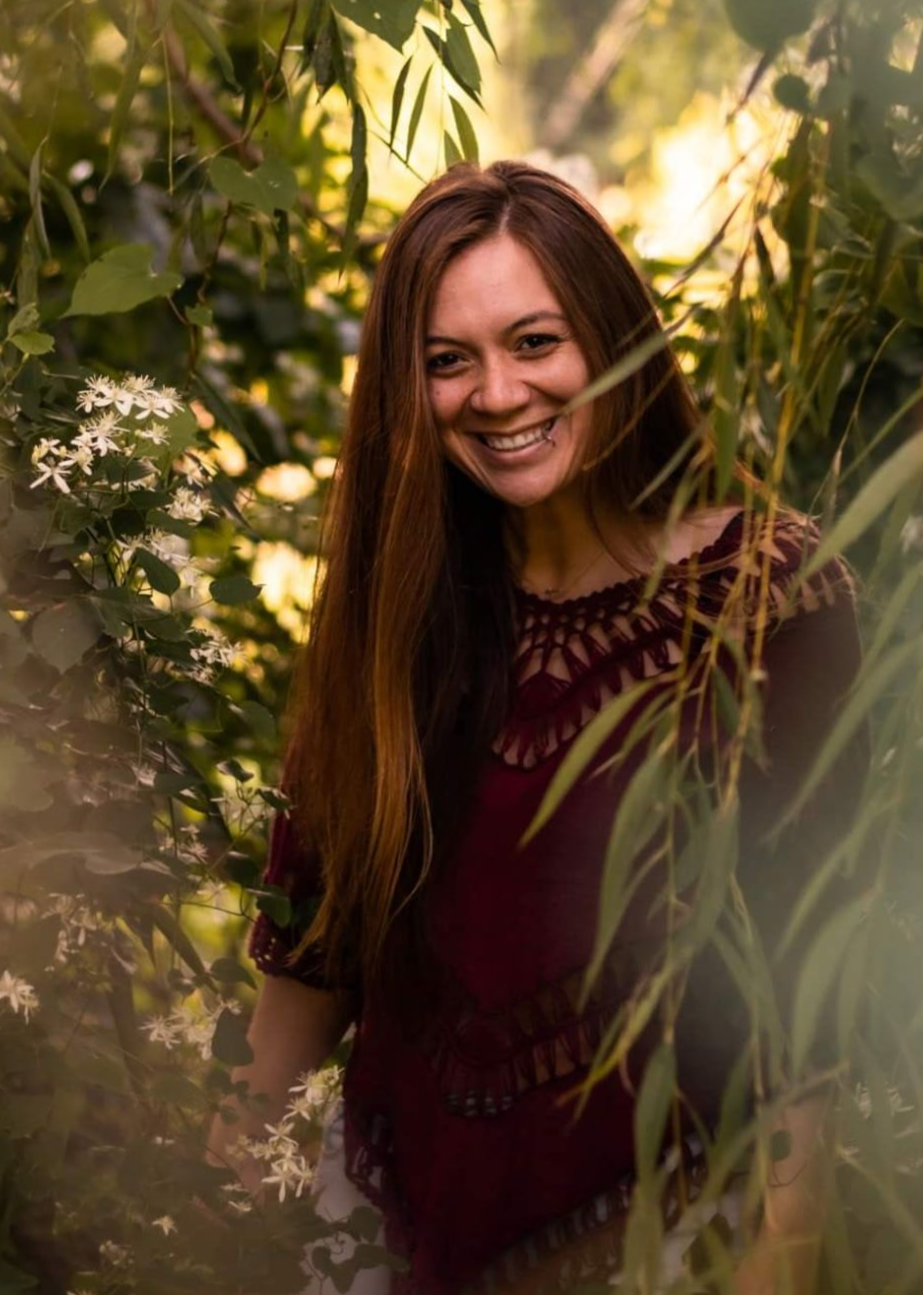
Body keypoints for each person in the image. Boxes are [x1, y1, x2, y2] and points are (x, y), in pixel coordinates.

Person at [207, 159, 867, 1295]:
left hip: (676, 1227)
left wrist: (789, 1244)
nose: (499, 393)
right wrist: (184, 1207)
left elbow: (824, 955)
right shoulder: (393, 615)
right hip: (384, 1233)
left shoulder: (769, 595)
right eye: (447, 362)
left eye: (535, 342)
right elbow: (317, 946)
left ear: (613, 341)